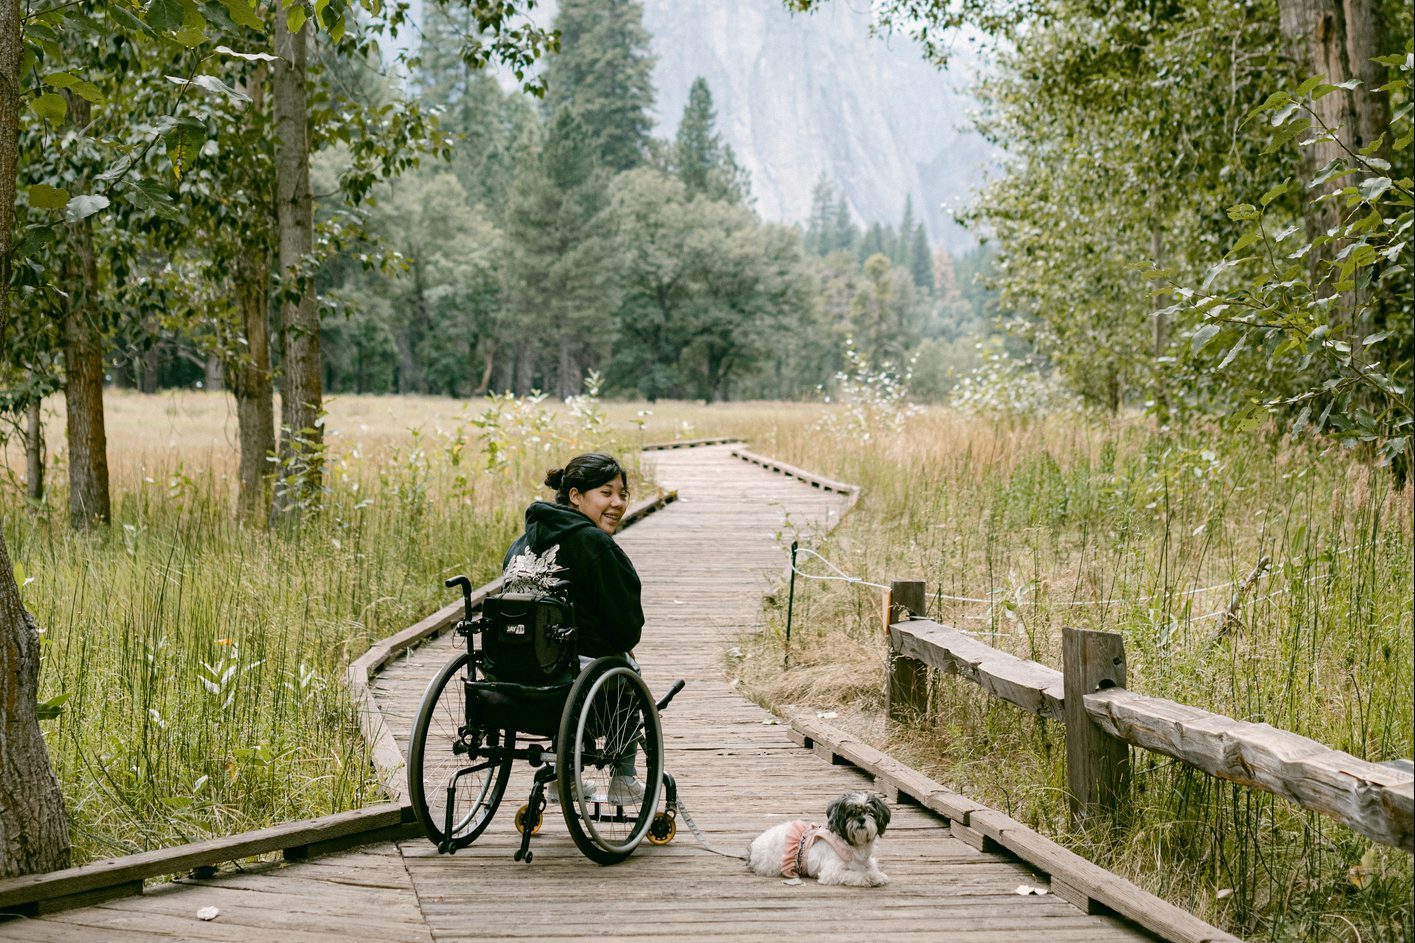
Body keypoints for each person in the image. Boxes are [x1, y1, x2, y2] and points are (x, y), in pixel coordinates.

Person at [502, 452, 645, 803]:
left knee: (559, 654)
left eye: (622, 494)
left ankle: (563, 774)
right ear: (576, 496)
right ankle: (623, 778)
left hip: (510, 673)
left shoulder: (522, 543)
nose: (617, 503)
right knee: (625, 665)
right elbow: (627, 627)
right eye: (607, 493)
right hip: (574, 681)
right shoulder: (594, 544)